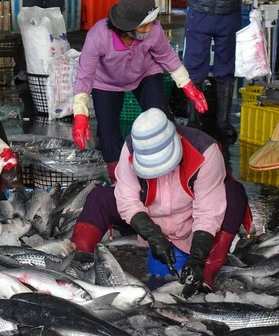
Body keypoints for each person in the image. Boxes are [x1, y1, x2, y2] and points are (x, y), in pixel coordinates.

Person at [70, 108, 251, 297]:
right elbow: (127, 200)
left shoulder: (205, 150)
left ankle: (206, 273)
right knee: (98, 197)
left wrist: (197, 258)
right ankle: (78, 271)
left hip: (191, 217)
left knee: (234, 194)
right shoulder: (131, 148)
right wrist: (153, 236)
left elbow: (208, 211)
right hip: (149, 215)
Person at [72, 0, 208, 183]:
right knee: (107, 130)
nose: (151, 27)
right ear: (127, 29)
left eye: (151, 22)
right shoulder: (98, 36)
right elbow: (84, 76)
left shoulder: (154, 30)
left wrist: (188, 86)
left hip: (145, 73)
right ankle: (118, 177)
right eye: (145, 25)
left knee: (162, 119)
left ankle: (176, 171)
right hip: (106, 82)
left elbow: (167, 56)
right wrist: (80, 115)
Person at [183, 0, 241, 138]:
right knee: (194, 67)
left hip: (229, 13)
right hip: (199, 11)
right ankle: (193, 119)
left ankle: (224, 121)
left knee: (227, 66)